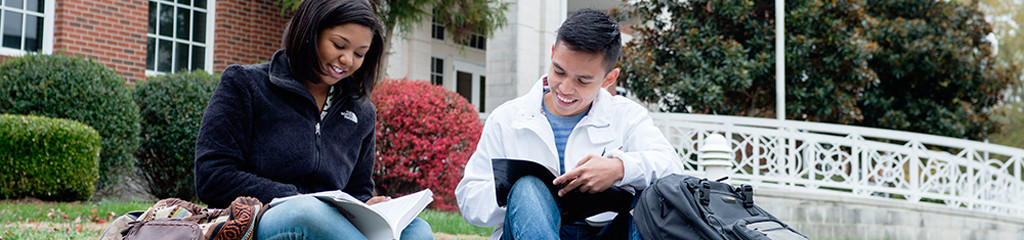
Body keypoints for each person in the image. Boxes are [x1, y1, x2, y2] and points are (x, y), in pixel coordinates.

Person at [193, 0, 432, 239]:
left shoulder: (362, 113)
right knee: (308, 213)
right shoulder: (246, 85)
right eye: (339, 45)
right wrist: (291, 197)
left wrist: (369, 205)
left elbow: (357, 190)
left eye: (359, 53)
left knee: (417, 229)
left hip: (332, 223)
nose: (348, 60)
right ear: (311, 32)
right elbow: (212, 175)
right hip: (262, 219)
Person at [455, 8, 684, 240]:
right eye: (558, 71)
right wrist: (515, 193)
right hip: (527, 231)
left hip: (604, 231)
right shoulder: (507, 118)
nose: (565, 88)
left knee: (647, 205)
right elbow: (469, 201)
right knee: (528, 188)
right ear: (553, 53)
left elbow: (672, 167)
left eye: (583, 81)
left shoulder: (626, 115)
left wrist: (618, 169)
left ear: (609, 79)